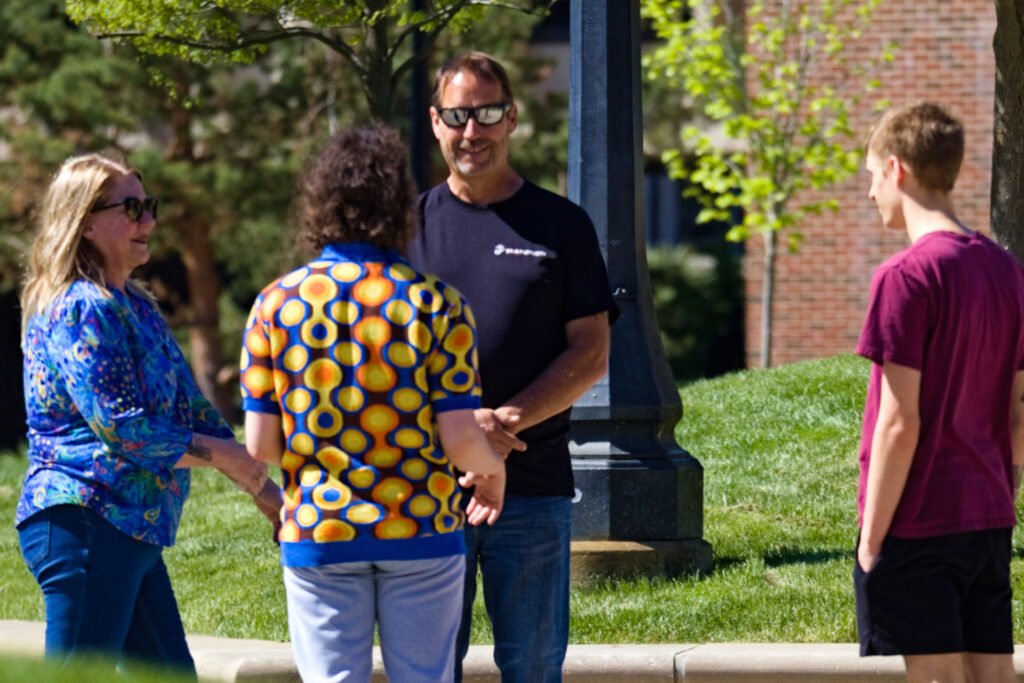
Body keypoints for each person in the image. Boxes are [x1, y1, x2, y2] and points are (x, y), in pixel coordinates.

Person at [240, 124, 505, 683]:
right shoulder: (439, 304)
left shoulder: (274, 304)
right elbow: (460, 440)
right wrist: (492, 469)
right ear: (397, 205)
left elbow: (262, 445)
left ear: (320, 202)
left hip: (320, 526)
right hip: (421, 525)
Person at [16, 153, 277, 676]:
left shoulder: (133, 304)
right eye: (131, 209)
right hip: (86, 519)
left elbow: (193, 408)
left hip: (130, 530)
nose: (148, 222)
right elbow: (123, 427)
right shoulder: (80, 306)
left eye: (149, 206)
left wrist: (267, 493)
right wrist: (228, 456)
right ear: (86, 222)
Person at [407, 52, 617, 683]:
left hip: (532, 489)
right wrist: (462, 433)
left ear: (513, 118)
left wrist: (502, 425)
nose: (474, 131)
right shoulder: (407, 229)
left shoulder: (562, 225)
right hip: (425, 490)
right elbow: (380, 357)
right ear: (436, 122)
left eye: (489, 113)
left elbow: (591, 351)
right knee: (426, 670)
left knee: (532, 668)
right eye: (459, 115)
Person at [855, 102, 1024, 683]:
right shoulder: (1005, 270)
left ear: (897, 169)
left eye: (872, 175)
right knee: (994, 676)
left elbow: (900, 422)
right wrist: (1005, 488)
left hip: (919, 520)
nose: (871, 192)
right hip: (989, 515)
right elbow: (1017, 413)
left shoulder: (903, 277)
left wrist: (871, 541)